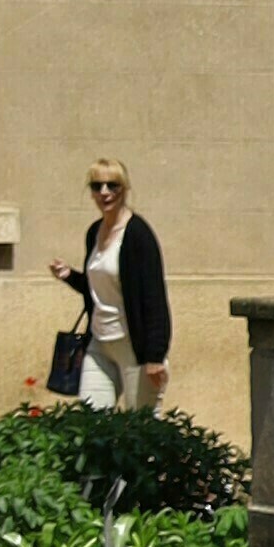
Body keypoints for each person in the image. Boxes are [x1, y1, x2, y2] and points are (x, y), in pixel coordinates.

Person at [72, 160, 170, 408]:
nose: (104, 192)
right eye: (97, 186)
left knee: (141, 429)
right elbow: (97, 288)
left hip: (132, 346)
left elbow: (153, 297)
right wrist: (68, 276)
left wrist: (155, 356)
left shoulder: (138, 234)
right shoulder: (94, 232)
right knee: (92, 421)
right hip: (99, 342)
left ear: (124, 188)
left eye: (112, 185)